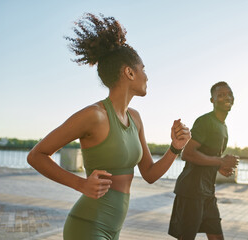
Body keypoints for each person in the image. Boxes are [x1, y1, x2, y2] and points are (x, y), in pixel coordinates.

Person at [27, 13, 191, 240]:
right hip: (87, 226)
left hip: (113, 229)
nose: (147, 76)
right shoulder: (94, 115)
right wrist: (80, 184)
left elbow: (149, 174)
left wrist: (175, 148)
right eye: (143, 68)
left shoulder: (135, 118)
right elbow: (37, 155)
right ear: (129, 72)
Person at [168, 81, 239, 240]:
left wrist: (220, 167)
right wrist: (220, 161)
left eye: (229, 94)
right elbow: (187, 153)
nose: (226, 97)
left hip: (207, 192)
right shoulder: (205, 121)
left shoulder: (223, 126)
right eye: (220, 95)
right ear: (212, 100)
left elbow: (206, 156)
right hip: (191, 191)